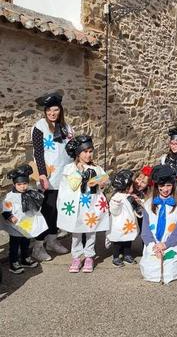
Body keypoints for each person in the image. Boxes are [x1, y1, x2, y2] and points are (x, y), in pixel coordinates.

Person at [57, 135, 109, 273]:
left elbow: (103, 181)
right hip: (77, 207)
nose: (88, 154)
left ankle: (89, 256)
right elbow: (72, 186)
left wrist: (102, 184)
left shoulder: (97, 168)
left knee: (91, 231)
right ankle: (76, 256)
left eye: (91, 151)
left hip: (92, 205)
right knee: (77, 232)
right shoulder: (70, 168)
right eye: (85, 152)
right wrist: (80, 171)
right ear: (78, 153)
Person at [31, 91, 73, 261]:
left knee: (58, 211)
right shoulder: (39, 127)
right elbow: (38, 153)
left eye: (55, 110)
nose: (52, 113)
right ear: (45, 112)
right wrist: (42, 175)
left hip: (65, 176)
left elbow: (71, 151)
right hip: (48, 176)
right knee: (47, 211)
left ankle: (52, 240)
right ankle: (38, 246)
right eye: (49, 110)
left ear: (60, 110)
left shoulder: (67, 128)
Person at [139, 165, 177, 284]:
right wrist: (152, 245)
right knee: (150, 272)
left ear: (173, 185)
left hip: (172, 244)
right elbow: (145, 229)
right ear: (156, 186)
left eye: (168, 185)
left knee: (169, 273)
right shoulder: (148, 204)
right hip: (154, 245)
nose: (165, 189)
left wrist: (166, 244)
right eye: (162, 186)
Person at [1, 164, 46, 273]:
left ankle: (25, 259)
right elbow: (5, 210)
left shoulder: (30, 192)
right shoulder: (10, 197)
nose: (22, 186)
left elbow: (38, 198)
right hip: (15, 226)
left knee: (26, 242)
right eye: (19, 184)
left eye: (25, 183)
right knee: (15, 245)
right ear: (14, 184)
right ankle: (13, 262)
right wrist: (10, 216)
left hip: (27, 224)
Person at [107, 169, 139, 267]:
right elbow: (114, 211)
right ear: (126, 187)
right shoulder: (116, 197)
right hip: (119, 224)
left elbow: (135, 209)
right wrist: (116, 204)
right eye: (132, 186)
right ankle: (116, 257)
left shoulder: (129, 196)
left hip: (128, 224)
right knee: (118, 242)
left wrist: (136, 203)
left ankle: (127, 255)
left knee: (128, 241)